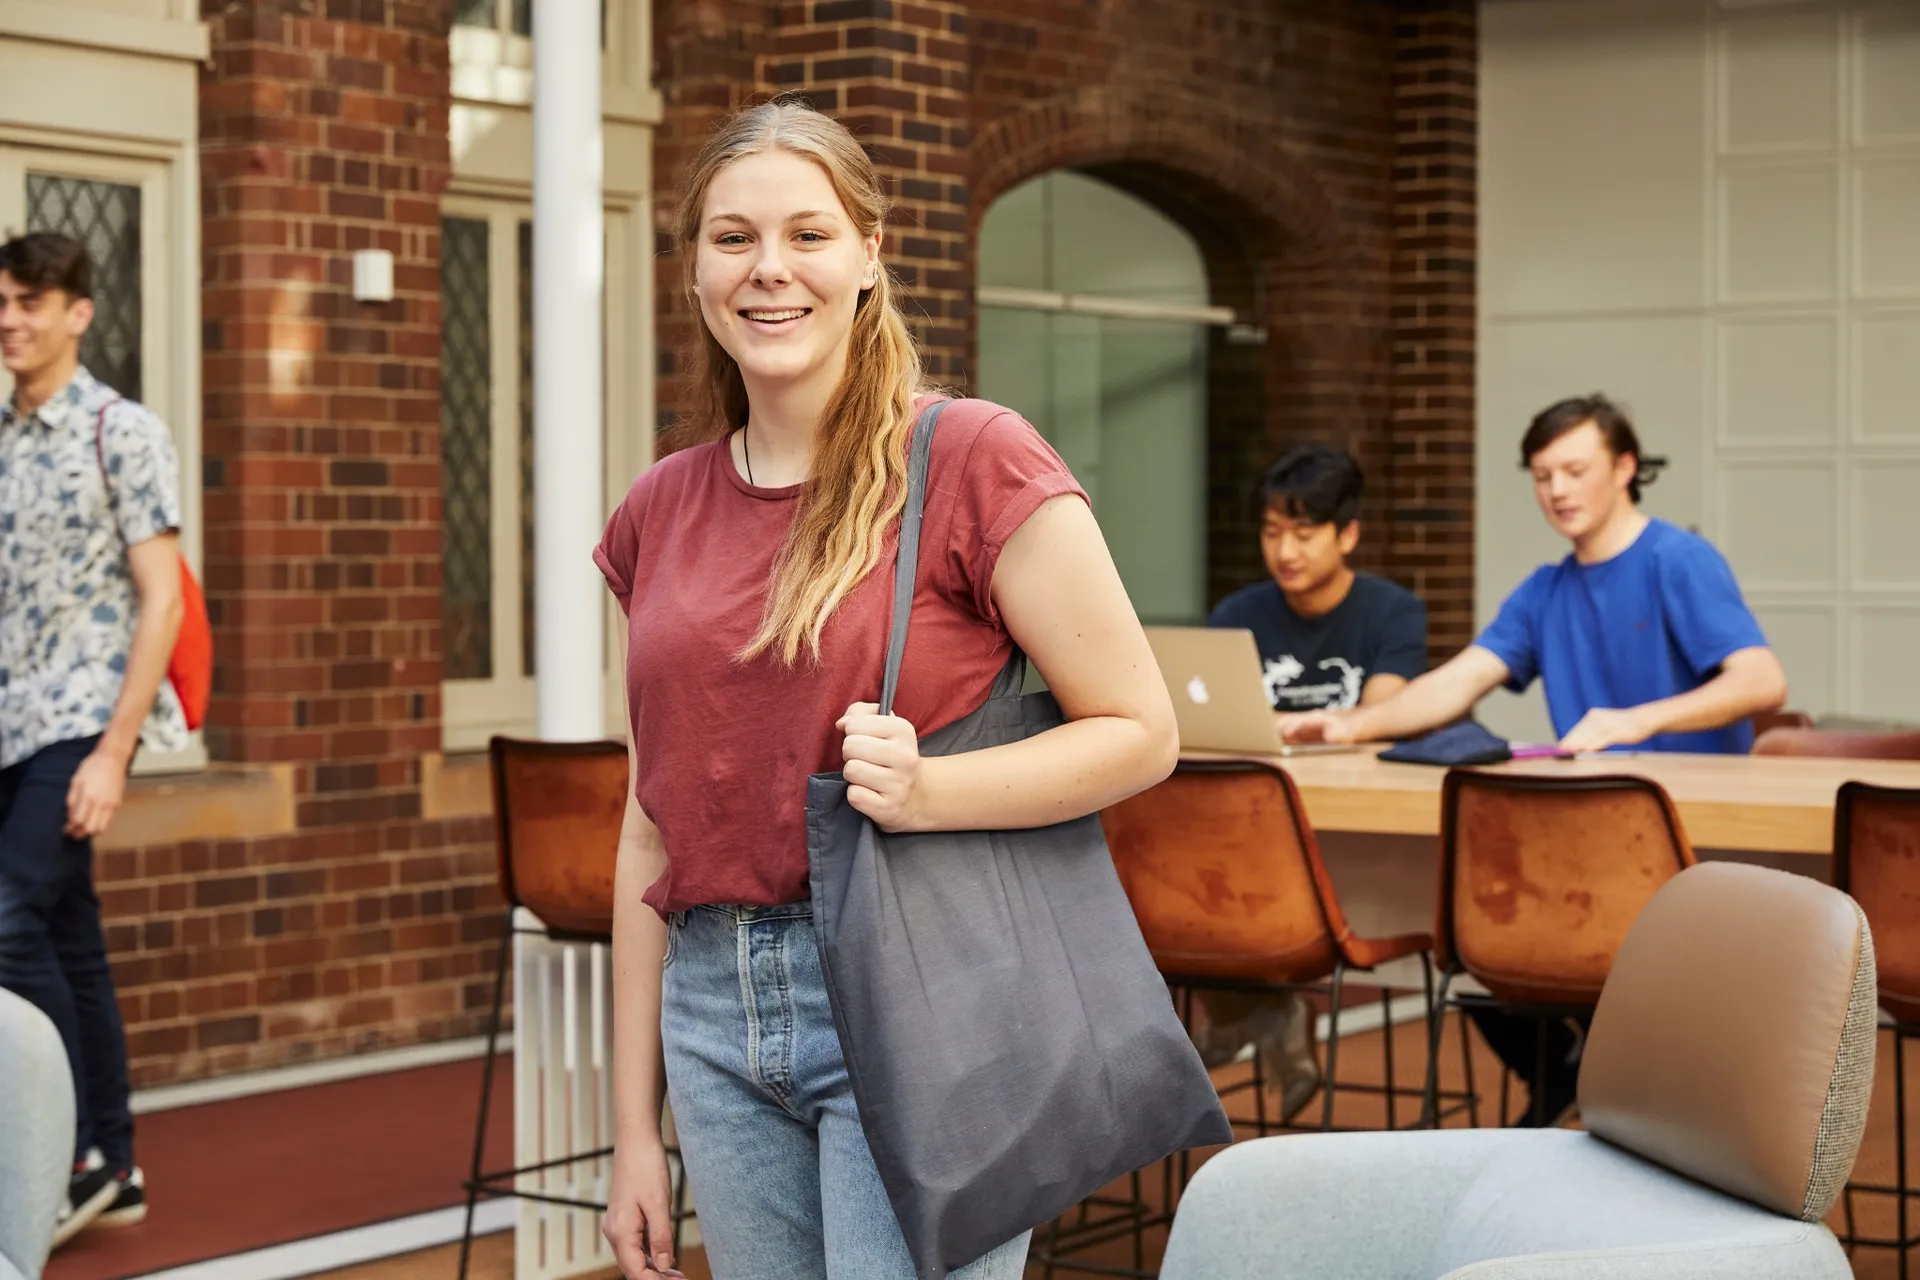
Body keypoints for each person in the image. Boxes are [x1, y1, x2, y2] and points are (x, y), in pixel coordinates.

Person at [593, 100, 1178, 1280]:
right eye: (732, 238)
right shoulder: (659, 507)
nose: (770, 270)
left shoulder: (971, 456)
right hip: (712, 1005)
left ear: (869, 252)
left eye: (809, 235)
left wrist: (928, 791)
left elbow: (1143, 731)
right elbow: (650, 821)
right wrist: (629, 1130)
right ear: (695, 266)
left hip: (921, 985)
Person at [1280, 393, 1787, 1124]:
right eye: (1543, 475)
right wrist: (1350, 725)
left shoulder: (1679, 560)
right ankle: (1567, 1075)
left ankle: (1584, 1075)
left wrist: (1629, 722)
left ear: (1625, 468)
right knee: (1466, 929)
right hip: (1589, 847)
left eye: (1575, 470)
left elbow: (1762, 680)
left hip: (1691, 855)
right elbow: (1458, 681)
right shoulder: (1547, 589)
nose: (1557, 490)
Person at [0, 232, 178, 1241]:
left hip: (79, 722)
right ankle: (115, 1154)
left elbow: (159, 604)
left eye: (32, 301)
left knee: (6, 921)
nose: (12, 319)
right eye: (3, 302)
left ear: (79, 312)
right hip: (7, 723)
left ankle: (66, 1153)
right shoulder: (0, 433)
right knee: (68, 935)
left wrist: (112, 751)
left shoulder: (121, 430)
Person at [1193, 443, 1427, 1123]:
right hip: (1246, 820)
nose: (1285, 551)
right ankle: (1261, 1009)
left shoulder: (1392, 612)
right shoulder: (1241, 609)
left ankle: (1255, 1010)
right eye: (1272, 533)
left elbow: (1382, 716)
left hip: (1348, 832)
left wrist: (1314, 727)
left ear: (1346, 534)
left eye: (1303, 533)